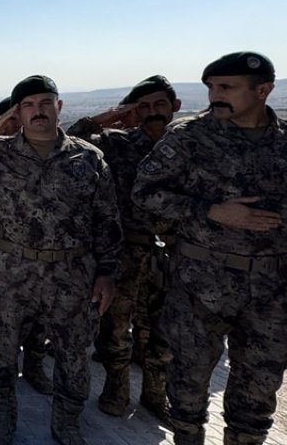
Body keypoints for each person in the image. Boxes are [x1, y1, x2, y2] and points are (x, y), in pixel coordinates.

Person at [133, 52, 287, 445]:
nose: (216, 96)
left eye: (226, 87)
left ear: (263, 90)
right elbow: (145, 193)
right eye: (212, 88)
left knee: (258, 392)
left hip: (275, 288)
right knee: (188, 387)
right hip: (200, 284)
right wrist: (211, 211)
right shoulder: (189, 138)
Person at [0, 75, 120, 445]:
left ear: (58, 107)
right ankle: (3, 416)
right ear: (16, 112)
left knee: (73, 355)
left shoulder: (87, 157)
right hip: (12, 271)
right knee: (1, 350)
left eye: (44, 103)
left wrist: (106, 273)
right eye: (27, 105)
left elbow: (107, 221)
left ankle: (67, 423)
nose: (37, 111)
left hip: (72, 273)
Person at [67, 75, 181, 419]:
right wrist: (106, 118)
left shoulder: (191, 144)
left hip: (175, 255)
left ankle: (155, 394)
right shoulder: (117, 143)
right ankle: (116, 388)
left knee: (165, 329)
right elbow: (70, 141)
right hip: (125, 252)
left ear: (174, 107)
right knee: (116, 328)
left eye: (159, 104)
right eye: (143, 106)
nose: (152, 112)